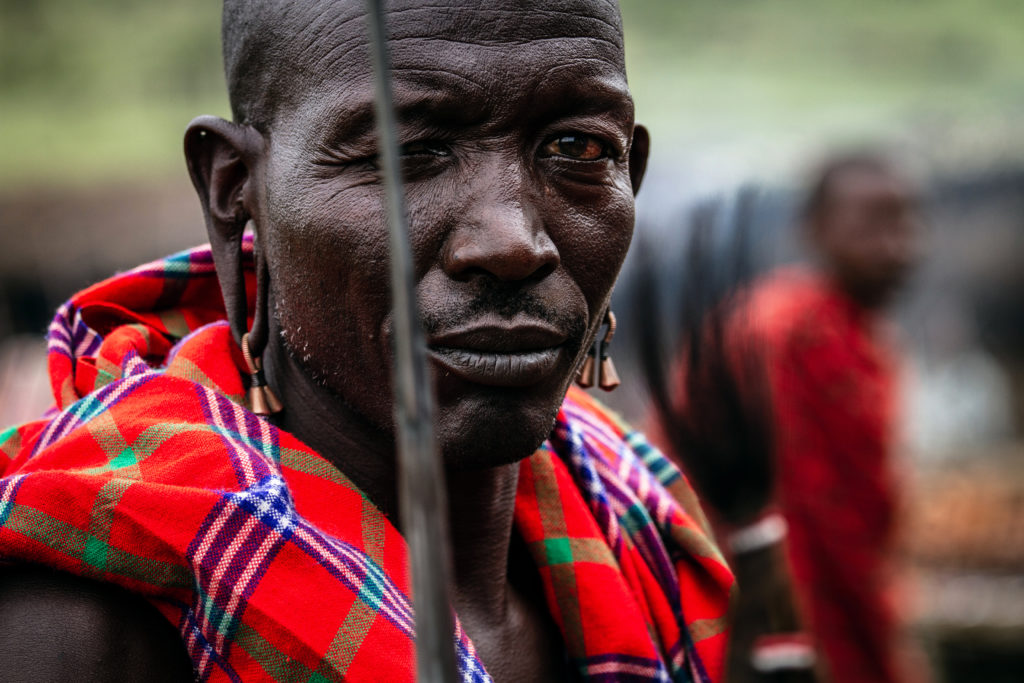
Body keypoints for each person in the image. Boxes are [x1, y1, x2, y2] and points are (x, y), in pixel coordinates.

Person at [0, 2, 734, 681]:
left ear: (630, 176)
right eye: (406, 150)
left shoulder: (645, 525)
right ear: (234, 190)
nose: (514, 242)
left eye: (577, 146)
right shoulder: (80, 627)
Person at [724, 154, 922, 683]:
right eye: (871, 226)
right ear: (816, 230)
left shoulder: (866, 342)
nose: (898, 246)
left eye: (905, 222)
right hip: (770, 609)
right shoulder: (782, 332)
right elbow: (789, 509)